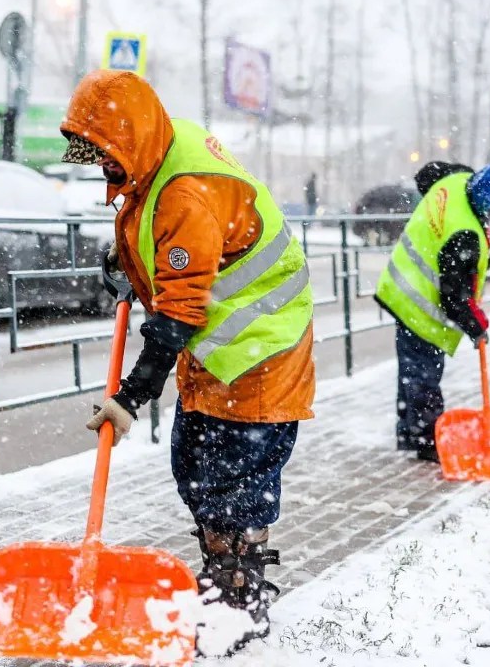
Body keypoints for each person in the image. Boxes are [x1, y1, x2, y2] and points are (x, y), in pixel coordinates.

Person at [60, 69, 315, 653]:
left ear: (131, 138)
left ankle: (239, 599)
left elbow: (178, 309)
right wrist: (127, 258)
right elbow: (170, 237)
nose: (99, 165)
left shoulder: (185, 190)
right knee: (195, 466)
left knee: (237, 481)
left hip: (260, 352)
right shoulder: (161, 153)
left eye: (103, 151)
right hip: (220, 353)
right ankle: (221, 577)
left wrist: (129, 397)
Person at [374, 161, 490, 462]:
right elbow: (454, 297)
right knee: (425, 374)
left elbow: (427, 174)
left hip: (400, 284)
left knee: (411, 370)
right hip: (420, 303)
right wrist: (477, 325)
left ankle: (408, 431)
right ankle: (428, 441)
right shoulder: (465, 232)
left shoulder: (456, 179)